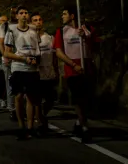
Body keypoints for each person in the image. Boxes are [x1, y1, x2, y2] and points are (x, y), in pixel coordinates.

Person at [53, 8, 95, 143]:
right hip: (72, 70)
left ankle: (79, 122)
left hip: (87, 68)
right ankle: (84, 127)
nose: (62, 16)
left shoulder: (87, 29)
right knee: (78, 98)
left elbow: (94, 47)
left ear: (72, 16)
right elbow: (59, 52)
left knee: (87, 99)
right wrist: (73, 65)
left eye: (64, 14)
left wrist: (86, 37)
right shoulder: (61, 31)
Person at [4, 7, 41, 140]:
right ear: (17, 16)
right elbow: (6, 52)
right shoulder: (11, 31)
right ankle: (21, 126)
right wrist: (23, 58)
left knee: (31, 98)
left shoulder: (34, 30)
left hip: (32, 69)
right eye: (21, 13)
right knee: (19, 97)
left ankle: (30, 127)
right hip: (19, 67)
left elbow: (37, 49)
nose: (24, 15)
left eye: (26, 12)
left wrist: (36, 60)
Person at [31, 13, 58, 131]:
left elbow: (55, 55)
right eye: (35, 20)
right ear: (31, 23)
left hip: (49, 73)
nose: (38, 22)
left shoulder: (49, 38)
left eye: (40, 20)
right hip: (36, 74)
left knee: (51, 99)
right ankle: (41, 122)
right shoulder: (29, 39)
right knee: (37, 99)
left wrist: (56, 70)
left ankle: (42, 114)